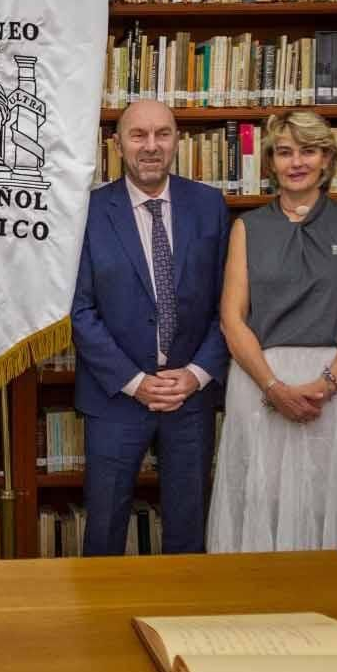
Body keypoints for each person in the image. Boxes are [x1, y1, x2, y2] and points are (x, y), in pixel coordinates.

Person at [207, 110, 337, 583]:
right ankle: (262, 616)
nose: (296, 162)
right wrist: (273, 387)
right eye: (284, 152)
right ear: (270, 162)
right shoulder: (247, 228)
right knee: (261, 498)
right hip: (260, 383)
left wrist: (325, 385)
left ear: (328, 158)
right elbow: (232, 318)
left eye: (307, 151)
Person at [71, 99, 229, 556]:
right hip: (116, 398)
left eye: (163, 134)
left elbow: (231, 304)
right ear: (117, 144)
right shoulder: (89, 212)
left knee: (188, 529)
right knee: (104, 530)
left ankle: (184, 627)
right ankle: (99, 624)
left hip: (190, 397)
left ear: (178, 140)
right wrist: (136, 383)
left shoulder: (209, 206)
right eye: (138, 135)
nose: (151, 146)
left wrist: (198, 373)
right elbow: (79, 311)